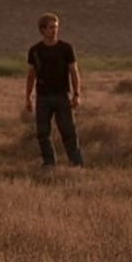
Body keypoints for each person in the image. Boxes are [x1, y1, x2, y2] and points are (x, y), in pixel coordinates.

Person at [25, 12, 84, 167]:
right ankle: (49, 164)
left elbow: (74, 71)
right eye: (51, 27)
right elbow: (31, 75)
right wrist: (28, 97)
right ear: (42, 29)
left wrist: (77, 94)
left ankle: (76, 164)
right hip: (43, 97)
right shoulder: (35, 51)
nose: (54, 30)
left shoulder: (66, 48)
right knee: (43, 133)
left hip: (62, 96)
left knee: (68, 132)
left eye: (56, 27)